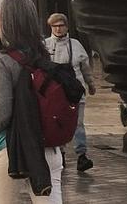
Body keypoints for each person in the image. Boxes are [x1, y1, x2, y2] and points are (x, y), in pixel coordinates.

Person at [0, 0, 63, 203]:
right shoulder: (44, 56)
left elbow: (3, 113)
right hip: (48, 149)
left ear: (8, 21)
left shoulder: (2, 60)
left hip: (12, 150)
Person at [44, 13, 95, 172]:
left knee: (78, 124)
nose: (58, 29)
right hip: (55, 94)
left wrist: (91, 84)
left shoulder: (75, 45)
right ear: (51, 27)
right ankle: (61, 154)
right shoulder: (45, 45)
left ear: (66, 26)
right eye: (55, 26)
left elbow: (85, 68)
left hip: (75, 91)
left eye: (61, 25)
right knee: (58, 123)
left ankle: (82, 155)